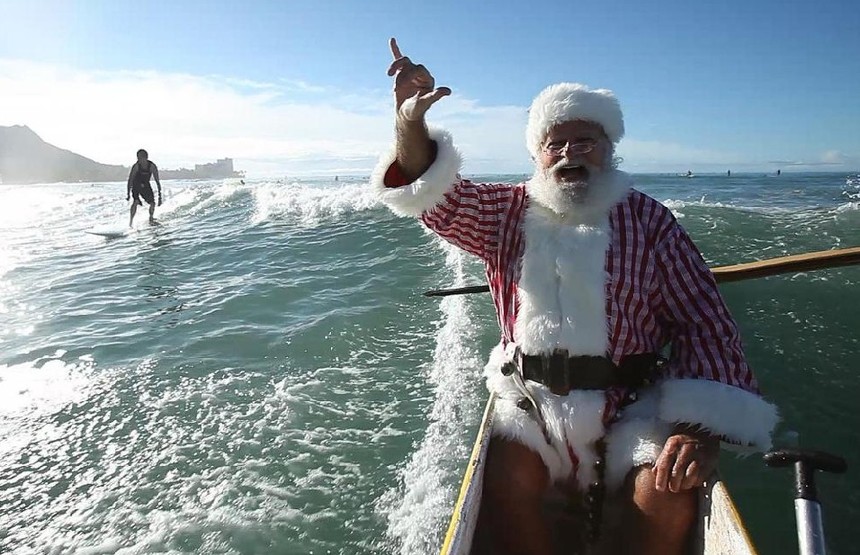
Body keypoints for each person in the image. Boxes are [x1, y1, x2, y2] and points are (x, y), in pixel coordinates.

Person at [372, 39, 778, 555]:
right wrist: (409, 123)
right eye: (555, 144)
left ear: (609, 149)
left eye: (584, 141)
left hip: (631, 405)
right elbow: (435, 195)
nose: (568, 154)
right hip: (533, 403)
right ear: (538, 156)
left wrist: (698, 429)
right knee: (508, 480)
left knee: (670, 494)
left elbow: (703, 318)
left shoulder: (650, 220)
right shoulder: (505, 212)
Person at [127, 149, 162, 226]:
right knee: (135, 201)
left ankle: (151, 219)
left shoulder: (152, 166)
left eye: (140, 158)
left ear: (146, 158)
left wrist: (160, 197)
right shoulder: (136, 166)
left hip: (146, 185)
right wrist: (128, 194)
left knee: (152, 203)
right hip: (136, 185)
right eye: (138, 158)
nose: (139, 160)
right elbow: (130, 179)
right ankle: (130, 223)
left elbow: (157, 181)